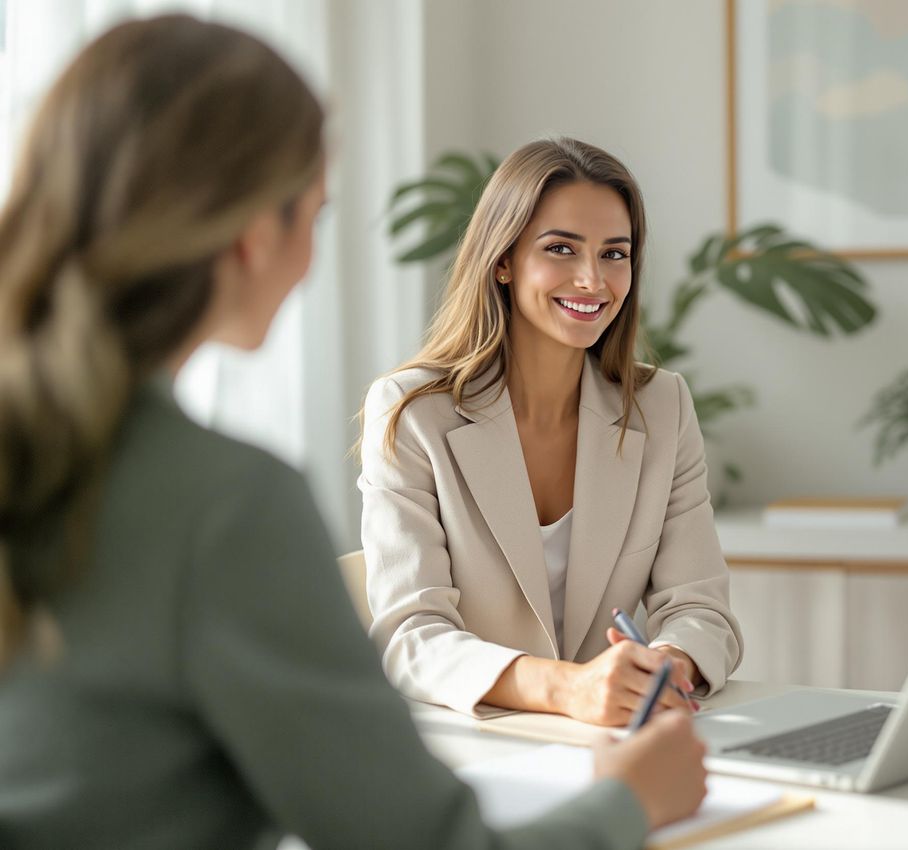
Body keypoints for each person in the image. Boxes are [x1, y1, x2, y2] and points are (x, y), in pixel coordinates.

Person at [0, 16, 706, 849]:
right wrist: (627, 801)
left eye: (615, 253)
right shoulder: (225, 504)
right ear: (256, 232)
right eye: (318, 213)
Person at [358, 138, 743, 725]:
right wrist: (568, 689)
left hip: (614, 737)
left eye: (615, 253)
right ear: (504, 260)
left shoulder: (662, 408)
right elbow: (409, 633)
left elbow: (699, 607)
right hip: (472, 742)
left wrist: (665, 665)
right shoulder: (413, 412)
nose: (593, 279)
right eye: (561, 248)